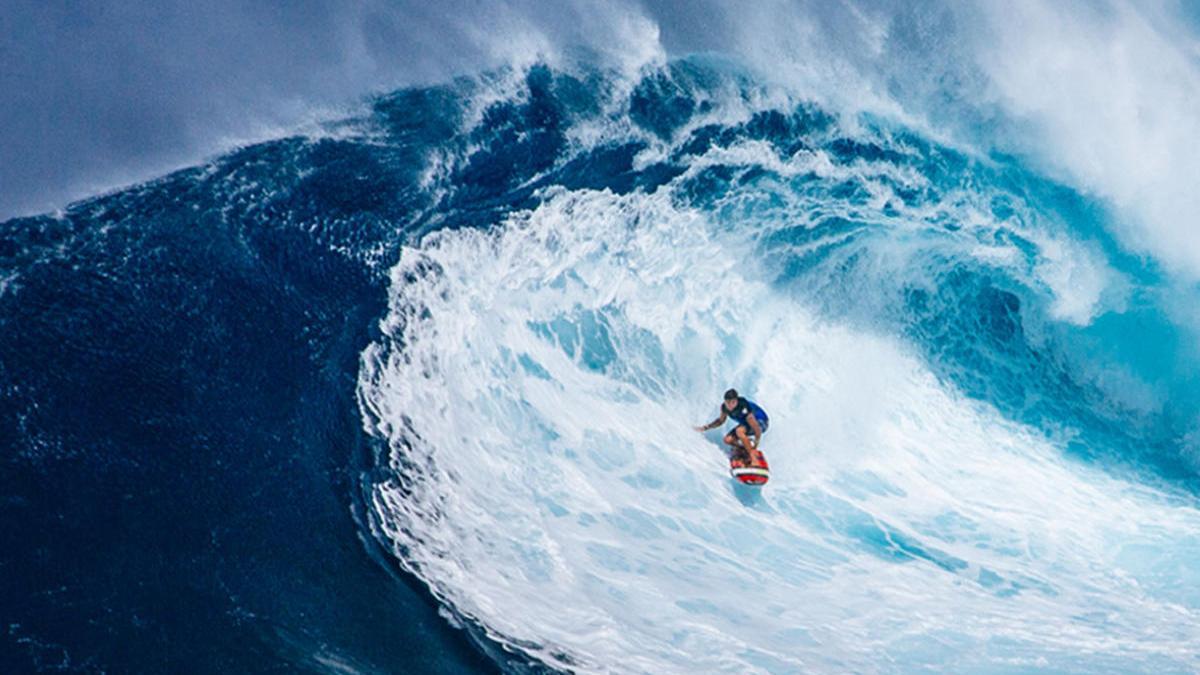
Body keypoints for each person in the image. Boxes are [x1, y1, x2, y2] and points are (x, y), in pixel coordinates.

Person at [695, 388, 769, 465]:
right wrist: (705, 427)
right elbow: (720, 421)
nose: (730, 405)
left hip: (761, 422)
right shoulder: (724, 408)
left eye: (733, 402)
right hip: (747, 424)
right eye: (728, 402)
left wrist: (755, 446)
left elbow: (757, 429)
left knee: (739, 431)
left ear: (737, 400)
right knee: (728, 440)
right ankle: (745, 448)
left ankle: (753, 456)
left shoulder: (743, 406)